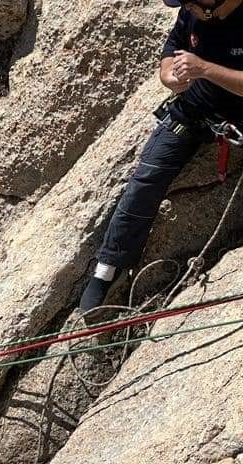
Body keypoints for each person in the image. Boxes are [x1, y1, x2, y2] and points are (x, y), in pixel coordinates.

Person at [78, 0, 243, 312]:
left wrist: (205, 69)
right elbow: (171, 49)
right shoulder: (191, 15)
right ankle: (107, 268)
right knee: (145, 181)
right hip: (194, 111)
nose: (185, 9)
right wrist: (170, 76)